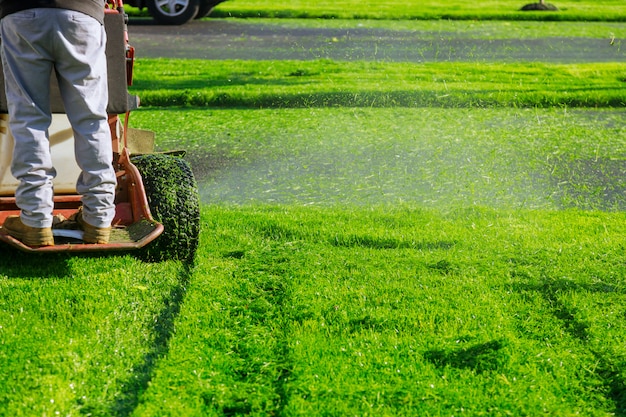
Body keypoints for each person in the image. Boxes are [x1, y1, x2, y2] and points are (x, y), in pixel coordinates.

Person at [0, 0, 116, 246]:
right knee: (91, 119)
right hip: (83, 13)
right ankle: (98, 217)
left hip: (23, 13)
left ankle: (36, 219)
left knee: (29, 116)